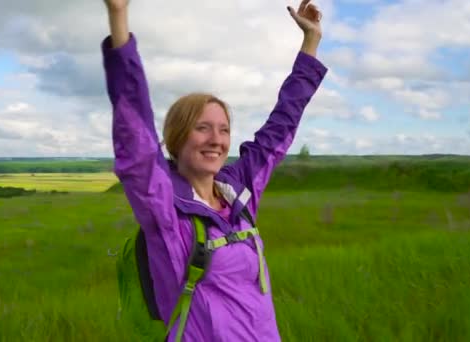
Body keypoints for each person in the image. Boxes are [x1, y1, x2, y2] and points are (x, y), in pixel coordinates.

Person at [101, 0, 327, 340]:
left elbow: (281, 125)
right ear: (177, 137)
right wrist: (118, 15)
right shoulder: (166, 211)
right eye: (202, 128)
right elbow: (135, 134)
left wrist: (310, 43)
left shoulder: (239, 194)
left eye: (223, 130)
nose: (216, 140)